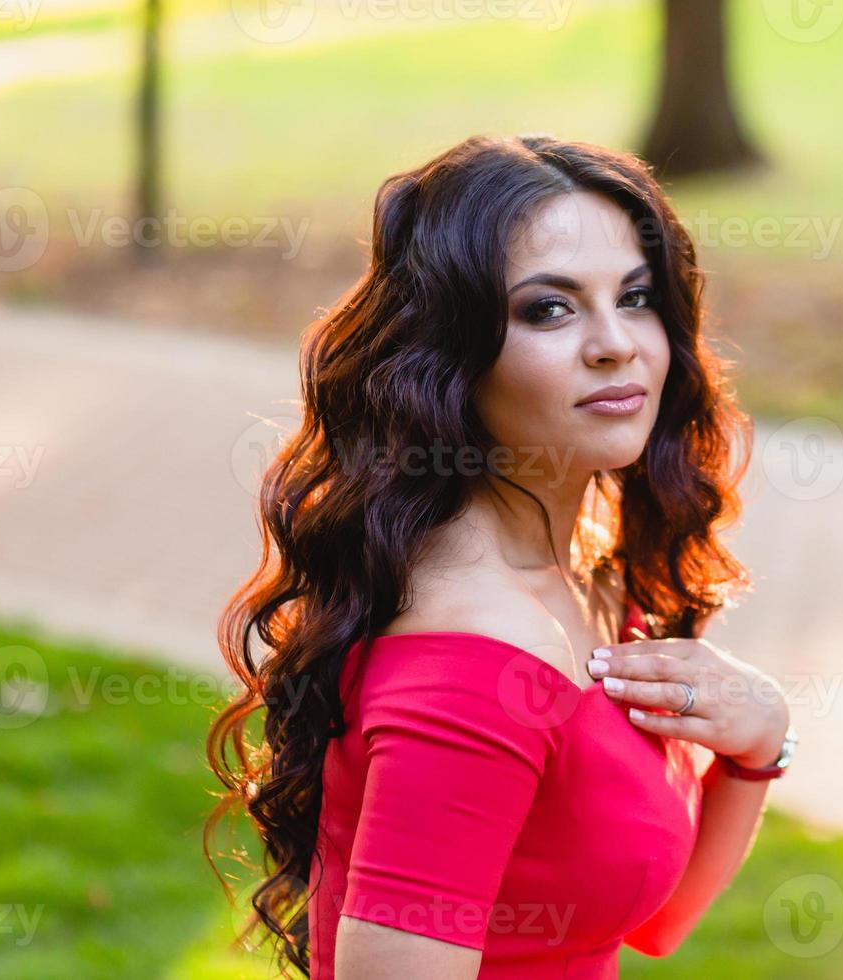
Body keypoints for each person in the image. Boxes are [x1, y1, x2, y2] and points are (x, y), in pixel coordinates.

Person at [205, 134, 795, 979]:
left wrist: (760, 747)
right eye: (548, 310)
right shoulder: (476, 664)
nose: (614, 344)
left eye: (634, 298)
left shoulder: (584, 581)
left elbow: (647, 922)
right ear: (450, 355)